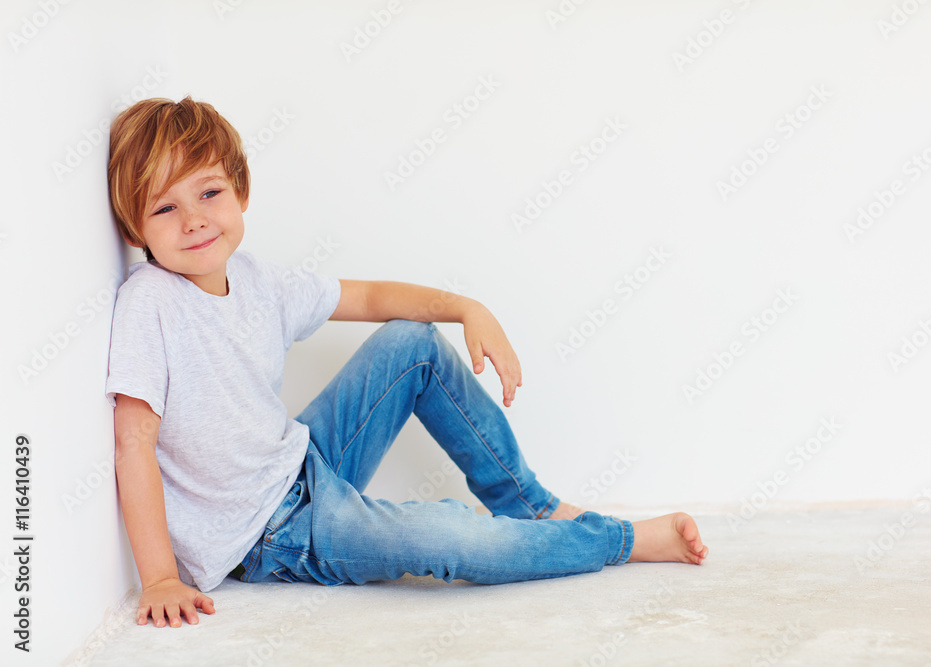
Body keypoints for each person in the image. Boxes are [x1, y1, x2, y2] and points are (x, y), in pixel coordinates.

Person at [106, 96, 709, 629]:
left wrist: (467, 308)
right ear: (135, 229)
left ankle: (531, 504)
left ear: (240, 192)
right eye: (165, 208)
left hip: (306, 463)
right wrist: (159, 577)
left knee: (411, 341)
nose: (194, 219)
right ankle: (620, 540)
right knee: (448, 538)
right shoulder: (150, 302)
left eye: (209, 193)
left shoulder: (257, 280)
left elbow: (370, 298)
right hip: (274, 535)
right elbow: (134, 443)